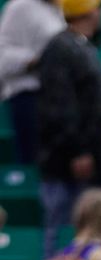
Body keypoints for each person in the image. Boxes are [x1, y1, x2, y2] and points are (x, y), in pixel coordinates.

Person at [37, 0, 101, 260]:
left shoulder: (81, 45)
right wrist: (78, 151)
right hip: (67, 163)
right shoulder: (61, 48)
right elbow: (59, 107)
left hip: (86, 156)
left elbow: (85, 100)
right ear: (90, 12)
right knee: (62, 230)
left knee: (88, 235)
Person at [0, 0, 65, 164]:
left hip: (60, 97)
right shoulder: (19, 7)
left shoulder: (58, 8)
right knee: (36, 164)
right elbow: (3, 57)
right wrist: (37, 60)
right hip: (30, 98)